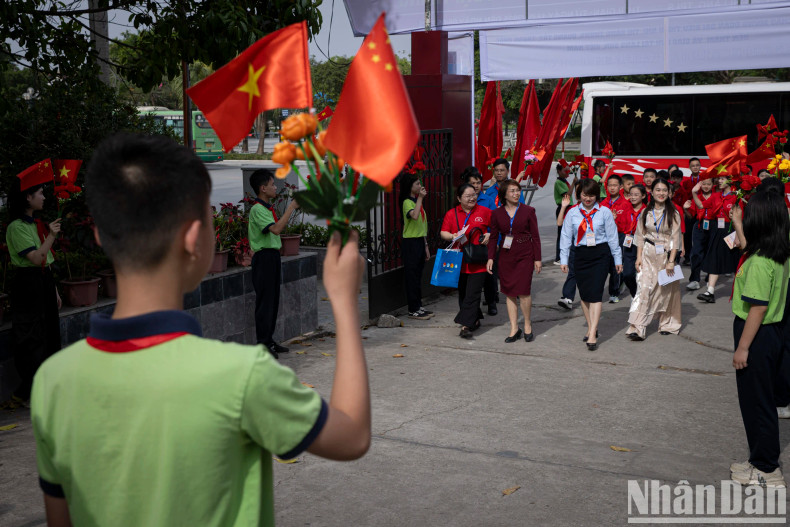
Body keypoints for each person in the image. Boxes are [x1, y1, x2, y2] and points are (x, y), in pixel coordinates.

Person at [30, 133, 371, 527]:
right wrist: (344, 304)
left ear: (101, 236)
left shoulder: (53, 382)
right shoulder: (242, 374)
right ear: (195, 239)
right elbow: (352, 436)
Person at [727, 190, 790, 488]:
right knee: (762, 401)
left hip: (756, 335)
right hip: (773, 334)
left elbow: (758, 308)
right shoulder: (778, 253)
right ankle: (758, 459)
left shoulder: (760, 263)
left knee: (756, 404)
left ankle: (766, 468)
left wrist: (742, 348)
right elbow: (750, 249)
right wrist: (738, 223)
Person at [5, 178, 62, 402]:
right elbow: (36, 257)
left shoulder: (34, 224)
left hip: (43, 281)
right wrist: (51, 236)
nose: (44, 197)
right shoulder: (16, 227)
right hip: (27, 284)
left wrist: (54, 288)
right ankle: (28, 392)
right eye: (40, 192)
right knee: (31, 338)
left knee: (50, 334)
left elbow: (45, 261)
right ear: (28, 197)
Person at [559, 179, 622, 351]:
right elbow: (565, 237)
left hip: (600, 254)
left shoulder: (605, 212)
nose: (588, 199)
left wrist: (618, 259)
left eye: (592, 195)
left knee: (596, 294)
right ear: (579, 195)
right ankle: (590, 326)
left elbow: (613, 237)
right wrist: (564, 260)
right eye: (585, 195)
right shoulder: (572, 213)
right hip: (580, 255)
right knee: (585, 295)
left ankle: (593, 332)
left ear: (597, 195)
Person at [248, 169, 300, 357]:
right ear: (263, 188)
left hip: (272, 257)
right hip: (264, 259)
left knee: (273, 301)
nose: (275, 187)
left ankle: (269, 340)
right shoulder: (257, 209)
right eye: (272, 184)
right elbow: (276, 230)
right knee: (265, 303)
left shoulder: (266, 208)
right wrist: (291, 207)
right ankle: (263, 344)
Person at [625, 178, 683, 341]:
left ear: (669, 193)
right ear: (651, 192)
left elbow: (675, 239)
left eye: (664, 190)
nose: (661, 193)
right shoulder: (645, 212)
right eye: (658, 190)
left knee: (666, 291)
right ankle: (638, 327)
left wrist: (672, 261)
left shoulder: (674, 213)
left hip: (665, 256)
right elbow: (640, 235)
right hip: (647, 255)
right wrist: (638, 258)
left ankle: (667, 324)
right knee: (643, 289)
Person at [486, 179, 542, 343]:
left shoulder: (528, 211)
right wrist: (490, 257)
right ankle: (513, 328)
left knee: (524, 291)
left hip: (525, 254)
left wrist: (537, 258)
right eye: (512, 191)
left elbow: (536, 236)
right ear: (504, 194)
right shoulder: (496, 214)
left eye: (518, 190)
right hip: (505, 256)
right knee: (509, 292)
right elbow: (493, 237)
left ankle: (527, 324)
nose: (516, 193)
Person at [441, 183, 492, 339]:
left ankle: (465, 326)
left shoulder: (485, 212)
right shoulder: (451, 214)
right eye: (468, 196)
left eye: (474, 195)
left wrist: (490, 235)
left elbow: (496, 229)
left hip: (479, 260)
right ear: (459, 198)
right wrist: (452, 236)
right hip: (459, 261)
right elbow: (443, 232)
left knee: (473, 293)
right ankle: (474, 319)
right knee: (463, 293)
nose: (472, 198)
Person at [696, 176, 740, 303]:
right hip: (717, 230)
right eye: (719, 179)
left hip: (732, 229)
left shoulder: (737, 196)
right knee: (714, 258)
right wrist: (694, 192)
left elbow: (741, 215)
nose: (719, 181)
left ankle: (740, 289)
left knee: (736, 260)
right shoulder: (715, 196)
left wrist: (738, 233)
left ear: (730, 180)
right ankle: (710, 291)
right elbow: (701, 205)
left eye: (723, 179)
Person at [463, 166, 498, 314]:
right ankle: (473, 307)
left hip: (485, 246)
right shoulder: (464, 201)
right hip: (469, 246)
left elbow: (496, 223)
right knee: (471, 279)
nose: (476, 186)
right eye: (473, 183)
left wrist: (491, 237)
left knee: (489, 276)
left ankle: (491, 303)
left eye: (478, 183)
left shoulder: (488, 200)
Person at [400, 173, 433, 320]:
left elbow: (421, 225)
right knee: (412, 276)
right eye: (417, 184)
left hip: (419, 241)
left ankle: (418, 306)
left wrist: (425, 245)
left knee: (418, 276)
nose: (420, 186)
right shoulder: (407, 202)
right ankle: (413, 309)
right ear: (410, 187)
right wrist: (420, 198)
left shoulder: (416, 201)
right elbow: (413, 216)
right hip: (411, 243)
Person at [601, 175, 630, 303]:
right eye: (610, 185)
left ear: (621, 187)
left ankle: (614, 292)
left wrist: (614, 221)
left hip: (620, 236)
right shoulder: (602, 204)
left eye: (615, 185)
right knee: (604, 265)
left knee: (615, 265)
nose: (612, 188)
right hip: (604, 238)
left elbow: (627, 224)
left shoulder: (626, 204)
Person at [683, 177, 715, 291]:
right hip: (699, 226)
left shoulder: (716, 196)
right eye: (704, 184)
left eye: (708, 184)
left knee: (711, 252)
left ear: (713, 185)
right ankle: (695, 280)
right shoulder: (697, 197)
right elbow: (691, 216)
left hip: (714, 226)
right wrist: (686, 209)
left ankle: (709, 278)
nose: (706, 186)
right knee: (695, 253)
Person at [622, 184, 647, 297]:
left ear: (643, 196)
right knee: (627, 274)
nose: (633, 197)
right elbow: (622, 227)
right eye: (631, 194)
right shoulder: (626, 209)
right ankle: (635, 294)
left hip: (643, 244)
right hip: (629, 242)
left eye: (636, 195)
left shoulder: (647, 211)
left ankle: (643, 297)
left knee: (642, 274)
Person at [556, 192, 577, 310]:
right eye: (580, 193)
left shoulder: (600, 209)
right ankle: (568, 298)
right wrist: (564, 207)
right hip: (575, 246)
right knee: (572, 272)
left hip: (593, 248)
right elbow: (559, 223)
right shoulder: (573, 210)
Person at [553, 161, 577, 265]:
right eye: (565, 170)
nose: (567, 171)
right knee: (562, 233)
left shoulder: (564, 181)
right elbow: (567, 195)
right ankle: (559, 257)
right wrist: (573, 183)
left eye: (568, 169)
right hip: (563, 208)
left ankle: (566, 255)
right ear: (559, 171)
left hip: (568, 208)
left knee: (569, 232)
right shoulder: (559, 183)